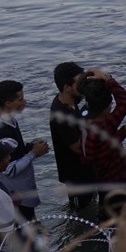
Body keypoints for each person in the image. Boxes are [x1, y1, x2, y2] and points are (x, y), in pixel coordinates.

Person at [78, 70, 126, 222]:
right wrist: (108, 79)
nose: (112, 107)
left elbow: (103, 147)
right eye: (110, 104)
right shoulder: (104, 124)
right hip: (118, 181)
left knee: (107, 217)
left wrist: (124, 130)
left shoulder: (85, 120)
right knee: (123, 221)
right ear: (105, 108)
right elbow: (124, 101)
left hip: (102, 181)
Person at [0, 80, 49, 221]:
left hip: (24, 191)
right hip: (18, 195)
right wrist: (33, 153)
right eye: (20, 99)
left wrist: (30, 147)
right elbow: (9, 169)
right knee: (26, 228)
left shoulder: (11, 121)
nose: (24, 102)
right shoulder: (1, 131)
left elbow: (16, 151)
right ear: (8, 103)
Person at [50, 62, 96, 211]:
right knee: (80, 213)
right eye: (79, 83)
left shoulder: (73, 100)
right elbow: (77, 148)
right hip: (75, 175)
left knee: (91, 204)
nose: (83, 85)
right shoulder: (60, 115)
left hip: (86, 169)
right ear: (67, 87)